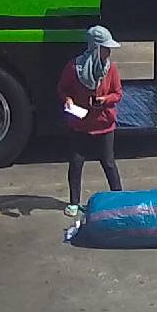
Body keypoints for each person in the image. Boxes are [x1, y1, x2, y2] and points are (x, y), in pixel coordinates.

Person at [58, 25, 124, 217]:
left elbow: (118, 93)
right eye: (105, 48)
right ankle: (74, 203)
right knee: (76, 162)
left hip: (104, 124)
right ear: (95, 48)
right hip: (80, 125)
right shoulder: (74, 67)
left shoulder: (111, 68)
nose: (109, 52)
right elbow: (63, 89)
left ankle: (120, 199)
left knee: (108, 162)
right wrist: (68, 100)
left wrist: (105, 100)